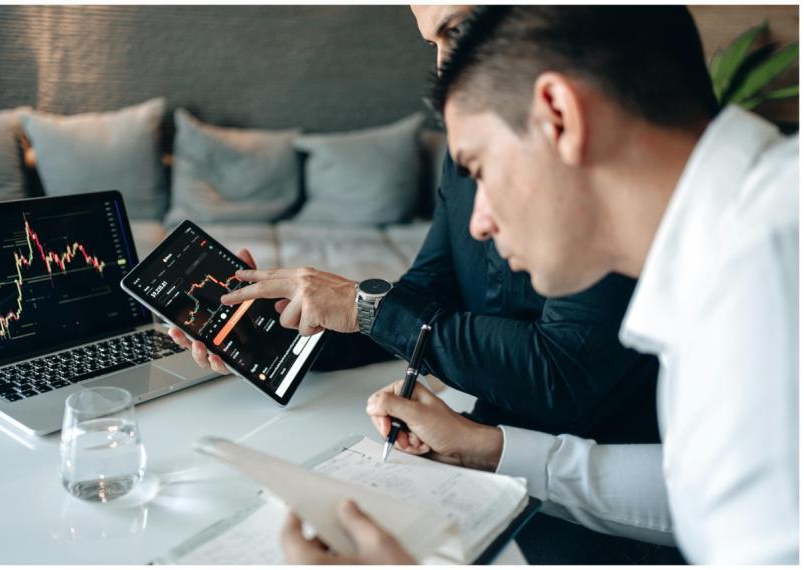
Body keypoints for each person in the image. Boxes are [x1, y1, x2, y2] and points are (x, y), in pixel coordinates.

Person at [283, 5, 799, 564]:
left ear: (558, 114)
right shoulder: (738, 237)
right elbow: (699, 487)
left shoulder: (765, 277)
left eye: (480, 167)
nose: (477, 221)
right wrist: (493, 450)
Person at [169, 5, 675, 563]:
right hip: (482, 463)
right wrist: (275, 328)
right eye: (431, 41)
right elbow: (423, 299)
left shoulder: (642, 201)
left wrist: (366, 308)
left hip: (588, 524)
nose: (442, 68)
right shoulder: (463, 161)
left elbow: (563, 376)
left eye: (457, 29)